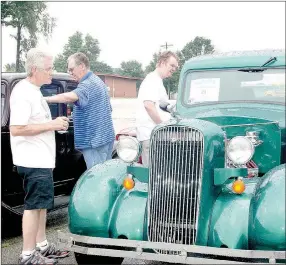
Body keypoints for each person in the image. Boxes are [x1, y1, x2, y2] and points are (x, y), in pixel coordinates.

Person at [9, 48, 70, 265]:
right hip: (32, 160)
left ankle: (42, 246)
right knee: (33, 206)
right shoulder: (23, 92)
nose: (52, 72)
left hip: (41, 160)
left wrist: (54, 126)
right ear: (34, 69)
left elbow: (36, 124)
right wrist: (51, 124)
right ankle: (27, 255)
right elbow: (16, 128)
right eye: (49, 68)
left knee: (42, 204)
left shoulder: (35, 91)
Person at [45, 52, 115, 170]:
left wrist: (44, 99)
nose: (70, 73)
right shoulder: (98, 81)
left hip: (94, 143)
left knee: (96, 178)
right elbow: (109, 109)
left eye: (71, 69)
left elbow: (69, 97)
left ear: (82, 66)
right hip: (105, 139)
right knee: (104, 176)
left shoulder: (87, 85)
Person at [136, 51, 179, 166]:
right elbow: (149, 106)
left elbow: (161, 105)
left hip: (156, 136)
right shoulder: (152, 80)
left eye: (176, 67)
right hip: (151, 136)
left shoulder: (157, 81)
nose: (174, 69)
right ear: (161, 62)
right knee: (153, 175)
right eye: (172, 65)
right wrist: (163, 126)